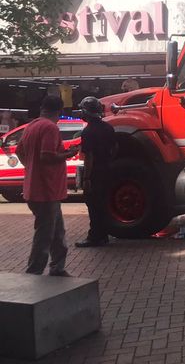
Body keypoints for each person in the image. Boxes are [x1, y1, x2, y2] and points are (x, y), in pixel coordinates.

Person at [16, 95, 79, 276]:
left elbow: (21, 151)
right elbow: (47, 155)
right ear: (59, 111)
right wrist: (67, 155)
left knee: (57, 231)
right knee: (44, 235)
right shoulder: (50, 128)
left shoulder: (32, 126)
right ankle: (34, 272)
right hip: (46, 190)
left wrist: (31, 168)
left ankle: (58, 267)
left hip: (36, 189)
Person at [76, 96, 116, 248]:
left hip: (96, 173)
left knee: (93, 205)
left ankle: (95, 237)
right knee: (104, 203)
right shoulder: (108, 128)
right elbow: (114, 148)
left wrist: (86, 178)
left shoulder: (88, 132)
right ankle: (103, 235)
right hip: (108, 169)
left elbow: (89, 157)